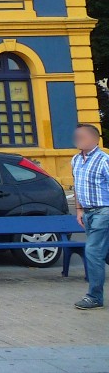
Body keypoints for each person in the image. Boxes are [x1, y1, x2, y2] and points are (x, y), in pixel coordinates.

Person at [72, 122, 109, 310]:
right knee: (105, 254)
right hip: (87, 213)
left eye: (83, 136)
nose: (78, 140)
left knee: (93, 252)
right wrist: (79, 210)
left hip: (104, 211)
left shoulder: (104, 160)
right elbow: (77, 186)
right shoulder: (76, 160)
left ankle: (94, 296)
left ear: (95, 139)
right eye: (77, 136)